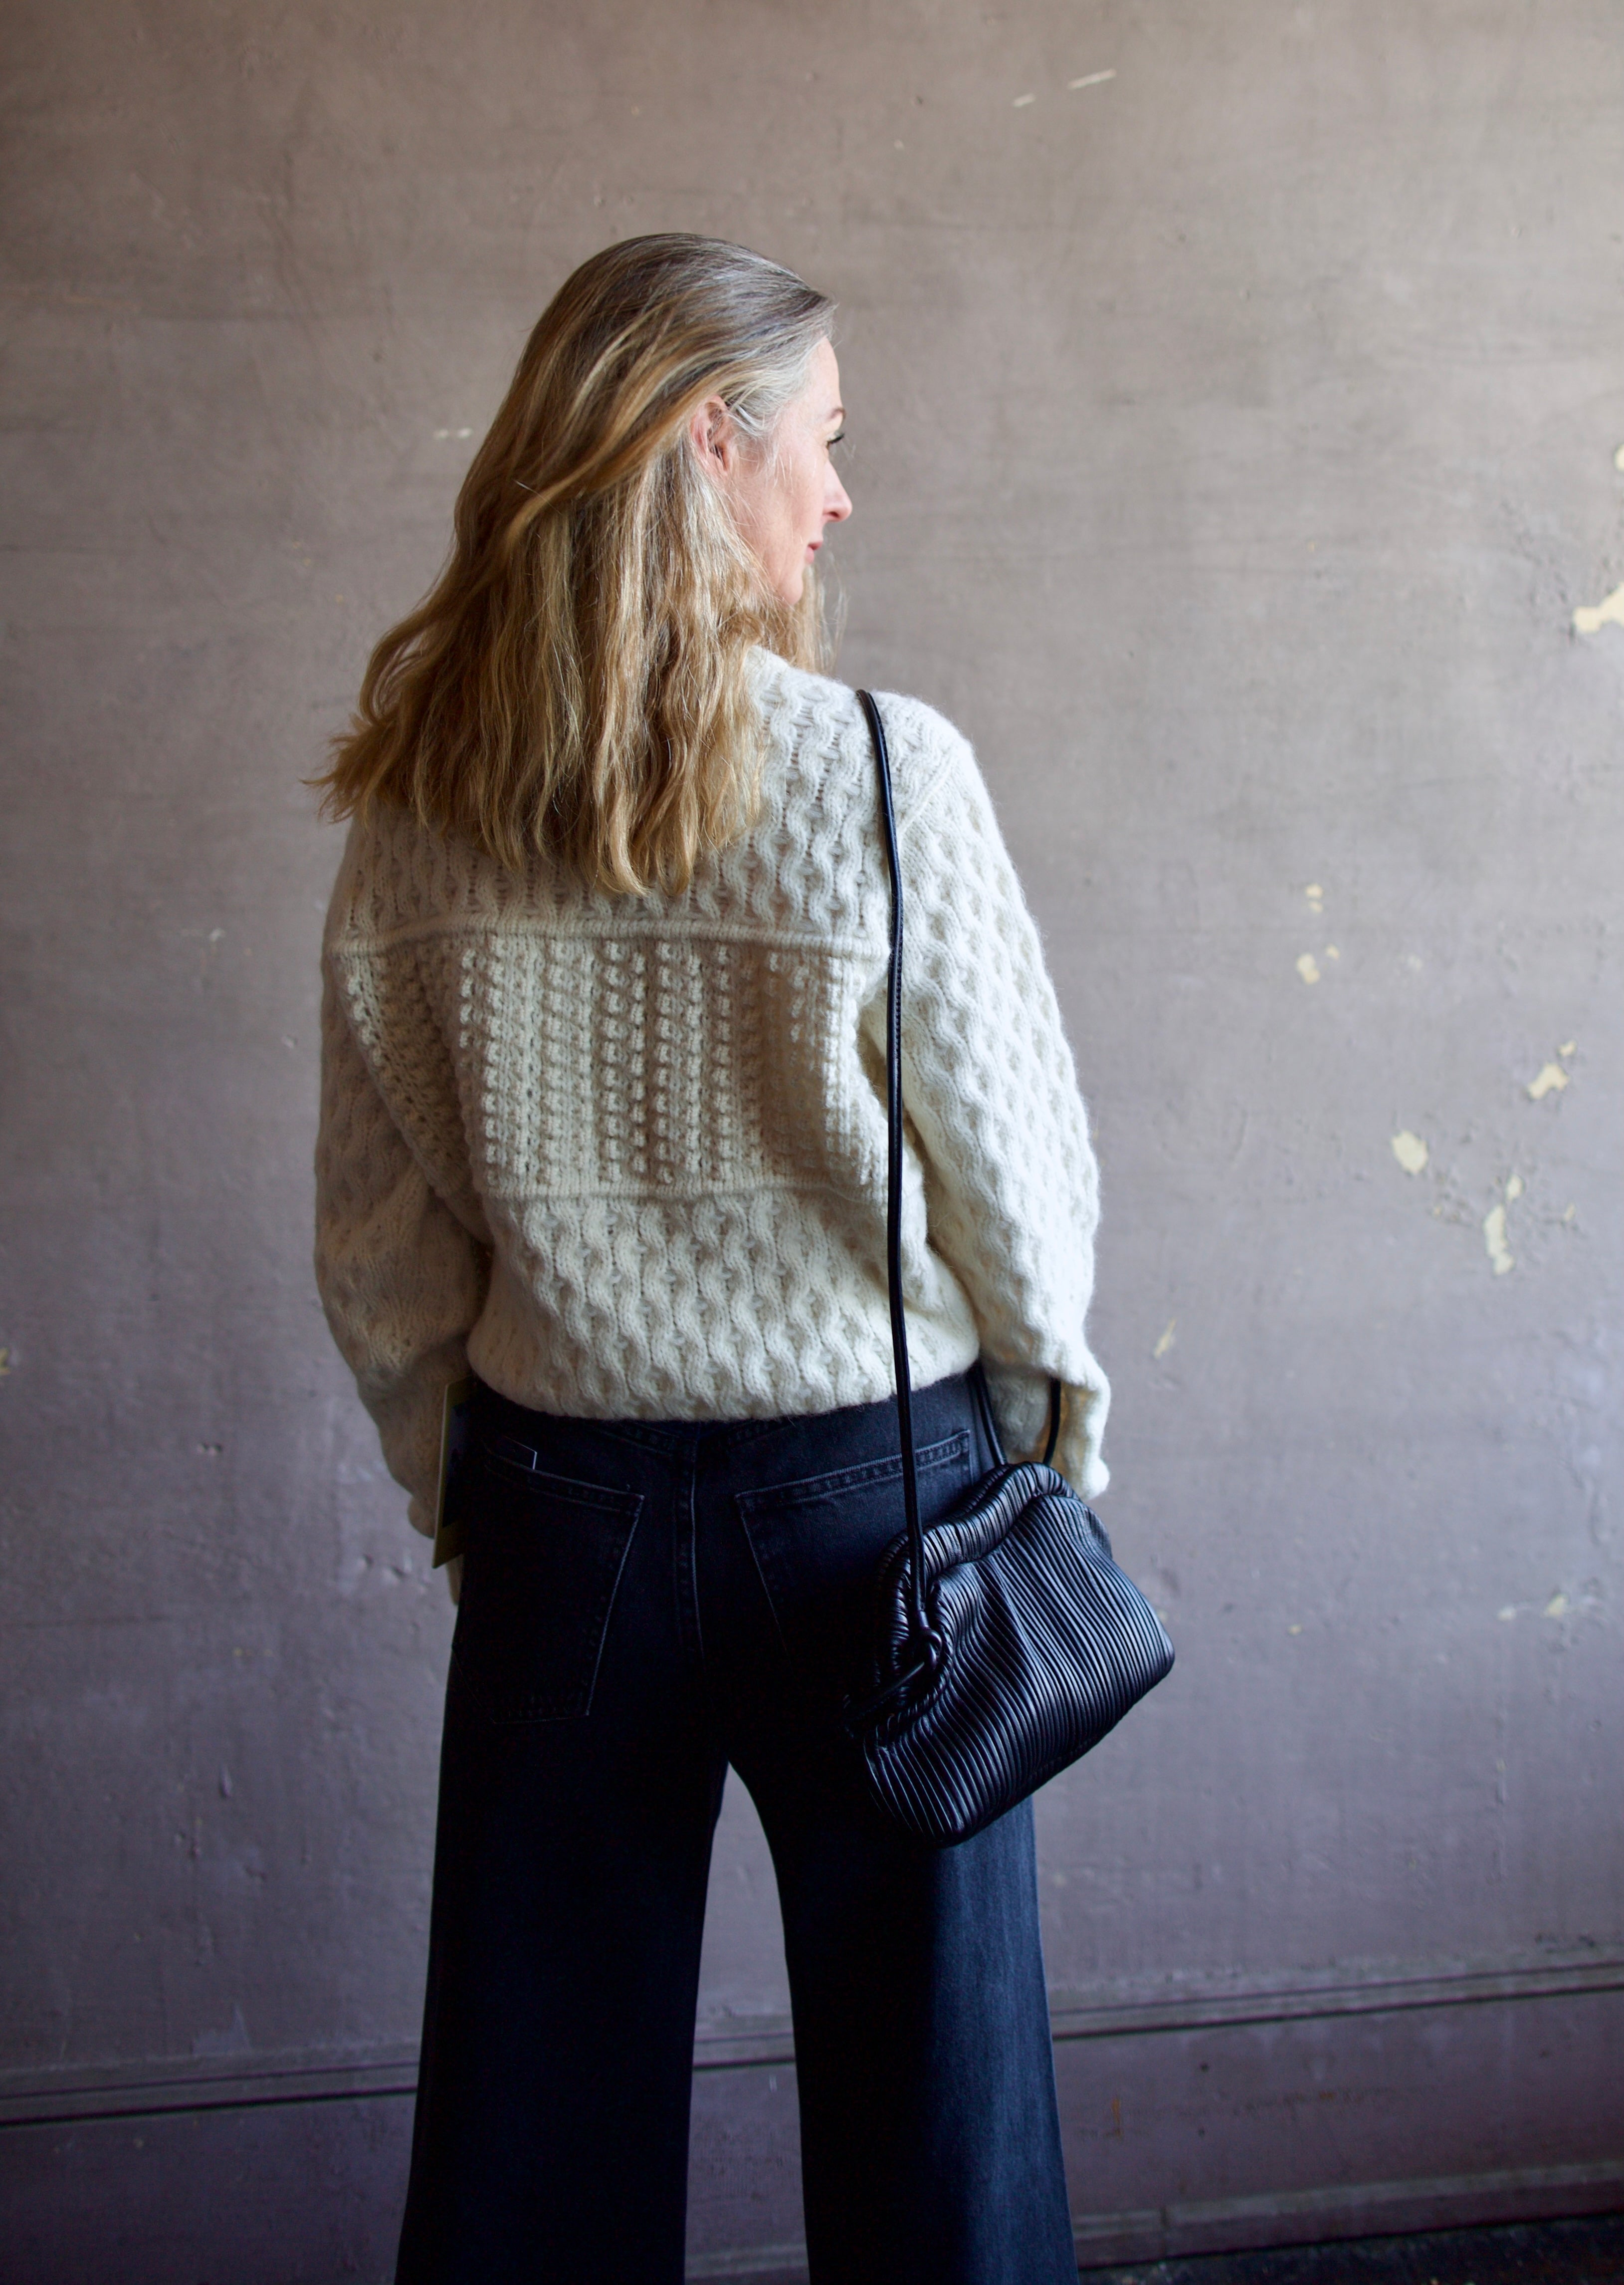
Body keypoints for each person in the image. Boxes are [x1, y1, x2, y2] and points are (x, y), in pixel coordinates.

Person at [313, 232, 1109, 2285]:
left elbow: (379, 1240)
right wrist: (1044, 1442)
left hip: (566, 1506)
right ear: (704, 436)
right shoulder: (875, 770)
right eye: (820, 444)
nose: (840, 496)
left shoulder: (423, 806)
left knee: (531, 2127)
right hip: (882, 1508)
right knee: (943, 2123)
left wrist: (462, 1479)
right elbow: (1015, 1178)